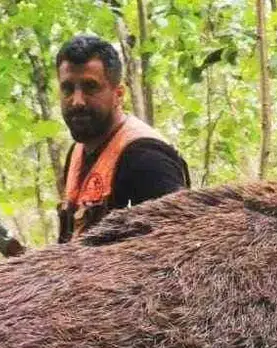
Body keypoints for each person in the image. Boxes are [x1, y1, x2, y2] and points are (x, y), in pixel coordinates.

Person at [55, 34, 189, 242]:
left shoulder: (147, 159)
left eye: (90, 87)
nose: (77, 101)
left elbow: (178, 246)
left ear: (118, 94)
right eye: (68, 89)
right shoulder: (77, 152)